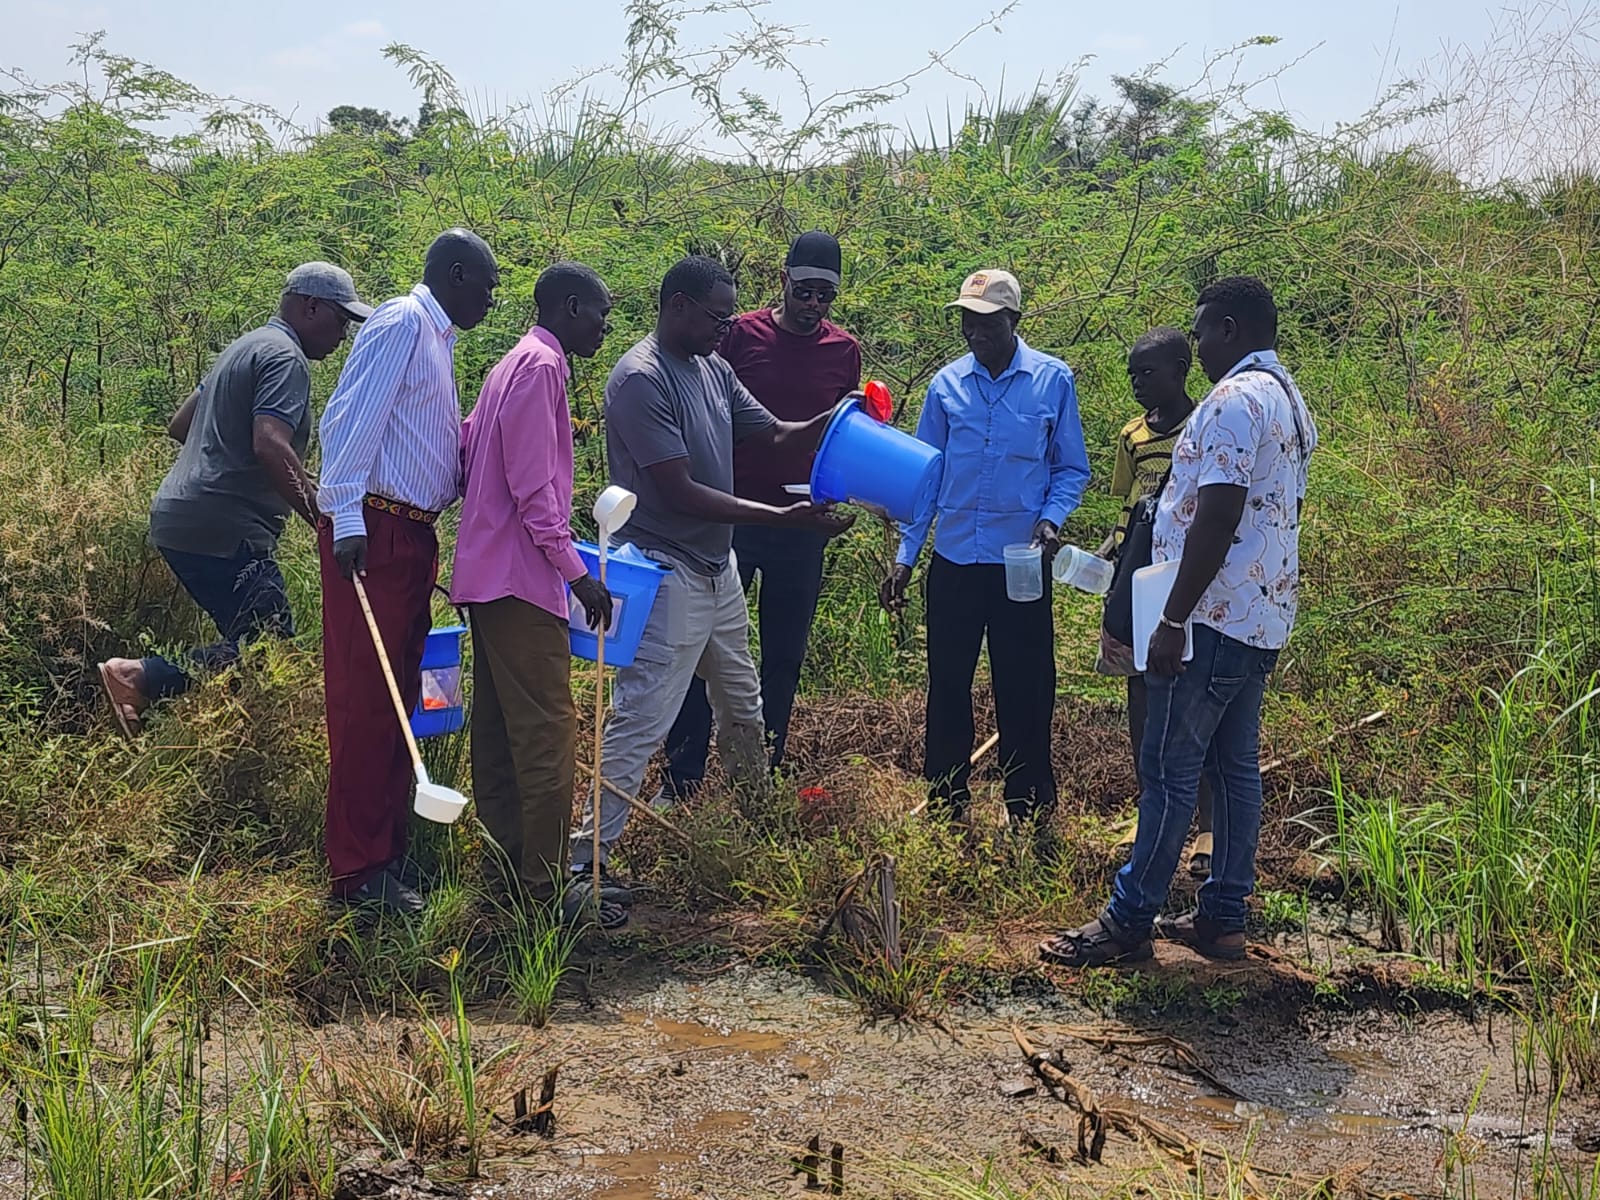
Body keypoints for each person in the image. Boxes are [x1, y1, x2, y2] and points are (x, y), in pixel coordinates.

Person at [1039, 275, 1317, 968]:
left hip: (1209, 619)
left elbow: (1218, 515)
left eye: (1201, 331)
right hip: (1259, 616)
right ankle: (1223, 918)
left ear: (1229, 328)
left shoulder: (1231, 401)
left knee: (1167, 769)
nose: (1197, 345)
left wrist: (1170, 620)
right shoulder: (1287, 396)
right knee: (1235, 769)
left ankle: (1128, 919)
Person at [570, 255, 853, 895]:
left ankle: (757, 820)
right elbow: (681, 492)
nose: (726, 329)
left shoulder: (713, 369)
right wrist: (787, 518)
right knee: (643, 716)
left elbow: (777, 435)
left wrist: (835, 422)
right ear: (676, 307)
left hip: (716, 568)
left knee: (742, 702)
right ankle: (584, 861)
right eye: (715, 317)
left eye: (729, 317)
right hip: (667, 569)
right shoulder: (642, 380)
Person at [96, 262, 372, 737]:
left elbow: (181, 425)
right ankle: (137, 676)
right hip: (225, 529)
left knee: (251, 642)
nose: (343, 334)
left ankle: (190, 725)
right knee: (269, 646)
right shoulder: (287, 358)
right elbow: (268, 443)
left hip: (180, 517)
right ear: (310, 307)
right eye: (340, 320)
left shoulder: (243, 347)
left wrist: (288, 475)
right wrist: (323, 521)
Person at [317, 229, 500, 916]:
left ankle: (386, 854)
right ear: (455, 274)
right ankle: (357, 873)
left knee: (398, 703)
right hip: (376, 527)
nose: (491, 296)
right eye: (486, 282)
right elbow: (347, 423)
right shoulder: (401, 321)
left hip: (411, 533)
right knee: (368, 704)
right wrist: (349, 521)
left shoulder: (437, 340)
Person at [881, 269, 1089, 832]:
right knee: (948, 686)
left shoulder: (1052, 381)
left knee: (1024, 686)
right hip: (954, 563)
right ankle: (948, 808)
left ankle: (1029, 812)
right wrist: (906, 557)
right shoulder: (946, 388)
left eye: (988, 323)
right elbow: (925, 479)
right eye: (967, 322)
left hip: (1020, 565)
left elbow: (1071, 469)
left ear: (1013, 321)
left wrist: (1050, 521)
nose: (976, 333)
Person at [660, 231, 862, 800]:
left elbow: (842, 434)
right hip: (733, 517)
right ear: (784, 280)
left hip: (805, 523)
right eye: (806, 291)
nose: (814, 305)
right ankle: (683, 777)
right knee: (703, 649)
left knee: (783, 653)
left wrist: (852, 487)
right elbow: (704, 405)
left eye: (826, 296)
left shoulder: (843, 349)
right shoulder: (738, 334)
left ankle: (758, 775)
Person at [452, 262, 623, 928]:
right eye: (601, 313)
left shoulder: (508, 365)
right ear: (571, 305)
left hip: (489, 578)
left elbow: (469, 456)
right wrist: (577, 573)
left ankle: (504, 876)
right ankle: (547, 892)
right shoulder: (541, 368)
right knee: (551, 733)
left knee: (500, 734)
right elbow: (533, 491)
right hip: (520, 581)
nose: (605, 326)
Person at [1097, 327, 1214, 880]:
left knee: (1197, 698)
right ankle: (1150, 811)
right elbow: (1129, 507)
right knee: (1140, 689)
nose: (1139, 384)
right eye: (1133, 375)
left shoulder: (1205, 425)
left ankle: (1208, 827)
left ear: (1181, 369)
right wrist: (1110, 560)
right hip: (1138, 572)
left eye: (1150, 373)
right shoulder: (1132, 436)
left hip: (1189, 574)